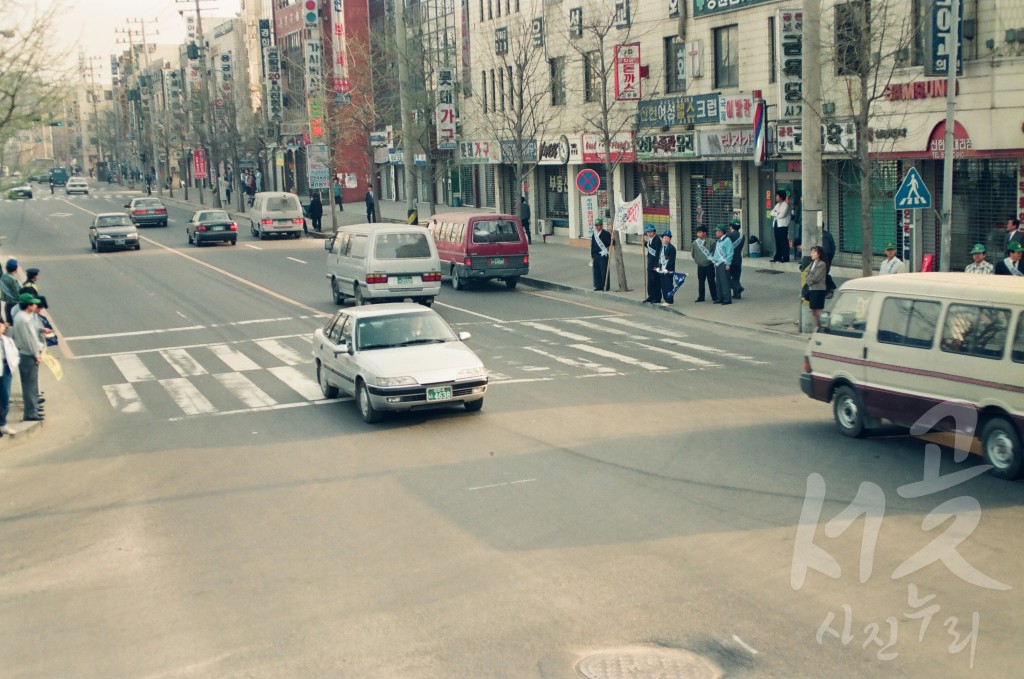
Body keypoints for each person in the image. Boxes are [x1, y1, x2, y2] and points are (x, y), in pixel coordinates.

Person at [12, 292, 43, 422]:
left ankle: (33, 408)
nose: (35, 305)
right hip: (28, 354)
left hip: (24, 353)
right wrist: (36, 354)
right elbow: (30, 340)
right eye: (33, 304)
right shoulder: (24, 320)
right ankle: (31, 412)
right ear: (28, 306)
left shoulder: (21, 317)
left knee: (30, 383)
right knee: (29, 384)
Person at [691, 225, 718, 303]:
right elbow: (693, 254)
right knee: (701, 282)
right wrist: (698, 260)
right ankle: (701, 297)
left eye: (700, 232)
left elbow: (714, 253)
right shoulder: (695, 243)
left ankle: (715, 296)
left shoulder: (712, 241)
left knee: (711, 281)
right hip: (700, 266)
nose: (698, 234)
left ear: (705, 233)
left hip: (709, 265)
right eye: (697, 233)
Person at [805, 246, 828, 329]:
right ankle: (816, 327)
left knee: (818, 310)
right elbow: (807, 275)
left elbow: (816, 277)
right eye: (812, 252)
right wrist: (809, 280)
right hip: (812, 289)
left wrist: (810, 280)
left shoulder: (822, 264)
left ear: (819, 254)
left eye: (814, 252)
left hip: (819, 289)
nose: (812, 254)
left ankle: (820, 327)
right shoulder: (812, 263)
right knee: (813, 310)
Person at [0, 321, 17, 436]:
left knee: (5, 398)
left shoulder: (7, 340)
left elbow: (14, 353)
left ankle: (3, 424)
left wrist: (12, 366)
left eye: (2, 325)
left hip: (6, 369)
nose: (2, 327)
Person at [711, 224, 734, 305]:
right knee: (718, 282)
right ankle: (719, 298)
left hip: (724, 263)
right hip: (718, 263)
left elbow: (730, 253)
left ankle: (727, 299)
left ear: (721, 232)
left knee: (724, 282)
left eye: (717, 231)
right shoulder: (719, 241)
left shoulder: (727, 240)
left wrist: (728, 264)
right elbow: (716, 253)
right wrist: (715, 262)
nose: (716, 233)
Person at [642, 224, 662, 304]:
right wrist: (645, 243)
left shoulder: (657, 240)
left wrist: (657, 265)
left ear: (654, 232)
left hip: (655, 264)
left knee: (655, 282)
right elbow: (650, 249)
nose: (649, 233)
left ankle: (657, 297)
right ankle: (651, 296)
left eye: (651, 232)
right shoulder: (650, 240)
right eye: (648, 232)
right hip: (650, 263)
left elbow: (657, 254)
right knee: (650, 282)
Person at [770, 190, 792, 262]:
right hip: (776, 224)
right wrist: (777, 213)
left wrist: (776, 213)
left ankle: (785, 257)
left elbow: (782, 215)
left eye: (777, 196)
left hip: (782, 225)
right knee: (777, 241)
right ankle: (778, 256)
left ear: (781, 197)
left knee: (783, 241)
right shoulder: (777, 205)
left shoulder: (785, 205)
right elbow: (771, 212)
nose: (776, 197)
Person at [590, 218, 612, 291]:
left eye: (598, 225)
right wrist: (592, 255)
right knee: (596, 271)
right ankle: (598, 286)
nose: (597, 227)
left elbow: (610, 243)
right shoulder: (594, 234)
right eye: (596, 225)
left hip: (603, 255)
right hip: (596, 255)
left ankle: (605, 286)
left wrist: (613, 239)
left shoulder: (606, 234)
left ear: (601, 225)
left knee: (604, 271)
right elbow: (592, 245)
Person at [727, 218, 745, 300]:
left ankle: (738, 288)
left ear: (731, 227)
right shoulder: (742, 236)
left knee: (727, 277)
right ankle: (737, 294)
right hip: (738, 258)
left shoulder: (729, 235)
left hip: (730, 259)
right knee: (736, 277)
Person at [658, 229, 677, 305]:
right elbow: (660, 258)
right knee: (663, 285)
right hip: (662, 269)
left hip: (668, 270)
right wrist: (659, 268)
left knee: (669, 285)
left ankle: (670, 300)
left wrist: (667, 268)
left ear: (670, 239)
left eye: (668, 238)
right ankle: (666, 299)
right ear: (662, 238)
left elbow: (671, 260)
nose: (666, 239)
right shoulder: (662, 248)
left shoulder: (672, 248)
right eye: (664, 237)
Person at [1, 259, 21, 325]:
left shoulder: (3, 277)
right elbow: (17, 293)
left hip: (8, 305)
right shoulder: (13, 280)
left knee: (9, 324)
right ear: (16, 269)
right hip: (14, 305)